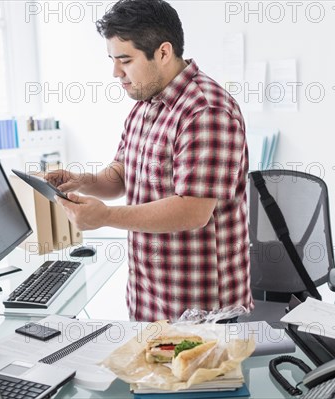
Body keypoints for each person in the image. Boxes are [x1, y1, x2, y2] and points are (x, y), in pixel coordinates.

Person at [48, 0, 253, 322]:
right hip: (149, 294)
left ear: (163, 52)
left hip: (200, 306)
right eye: (113, 60)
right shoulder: (145, 104)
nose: (116, 72)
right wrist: (82, 181)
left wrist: (104, 217)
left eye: (125, 60)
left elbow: (192, 210)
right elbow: (121, 175)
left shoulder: (206, 111)